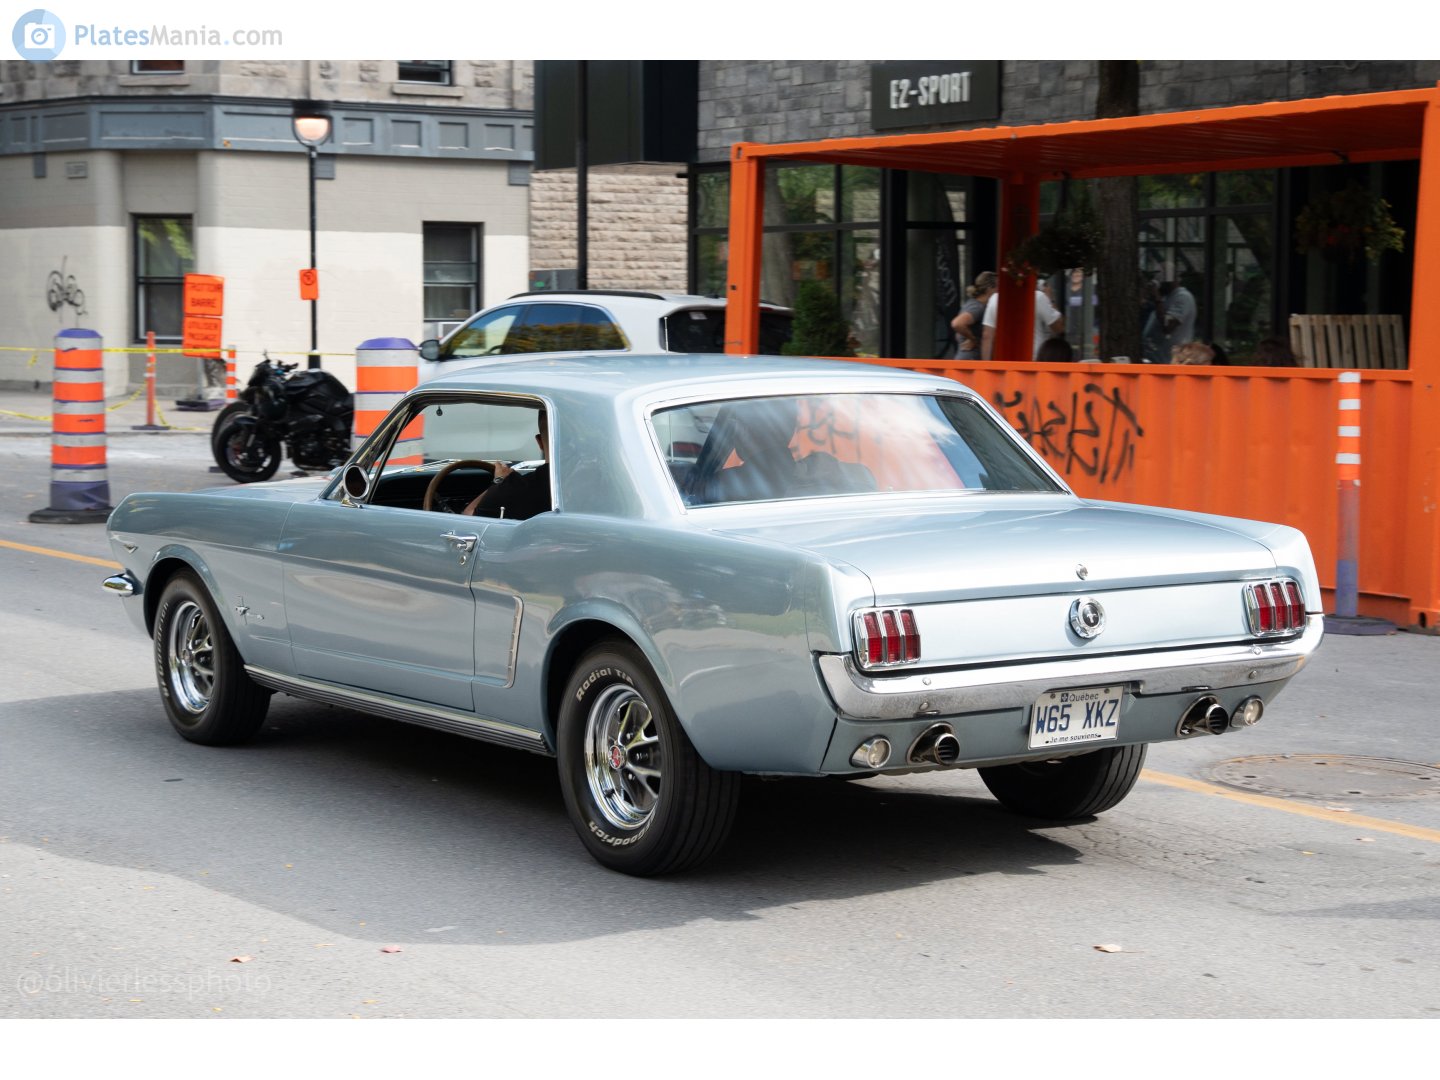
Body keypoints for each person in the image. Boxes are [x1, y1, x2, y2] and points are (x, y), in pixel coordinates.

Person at [462, 410, 551, 519]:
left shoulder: (513, 489)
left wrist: (499, 480)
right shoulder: (575, 486)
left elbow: (468, 518)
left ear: (539, 442)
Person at [979, 285, 1065, 361]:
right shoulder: (1038, 297)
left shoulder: (995, 299)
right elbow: (1059, 327)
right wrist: (1050, 299)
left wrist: (986, 366)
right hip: (1034, 358)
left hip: (1004, 359)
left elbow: (987, 336)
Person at [950, 271, 997, 360]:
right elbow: (957, 323)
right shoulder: (977, 307)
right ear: (990, 289)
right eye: (998, 288)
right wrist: (972, 339)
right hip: (969, 362)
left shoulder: (973, 304)